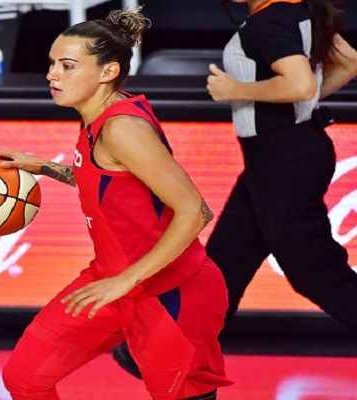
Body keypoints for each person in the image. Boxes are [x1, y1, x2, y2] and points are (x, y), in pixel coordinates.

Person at [0, 8, 232, 400]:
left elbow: (196, 212)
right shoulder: (98, 114)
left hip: (169, 291)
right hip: (108, 281)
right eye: (52, 64)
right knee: (25, 377)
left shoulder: (123, 128)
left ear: (107, 72)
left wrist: (125, 281)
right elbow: (109, 180)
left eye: (68, 66)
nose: (52, 75)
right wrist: (44, 167)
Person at [113, 0, 357, 381]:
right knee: (224, 264)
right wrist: (303, 106)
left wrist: (236, 88)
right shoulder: (298, 10)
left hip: (284, 161)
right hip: (279, 158)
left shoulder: (269, 22)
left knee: (314, 271)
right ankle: (169, 353)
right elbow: (349, 61)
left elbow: (300, 84)